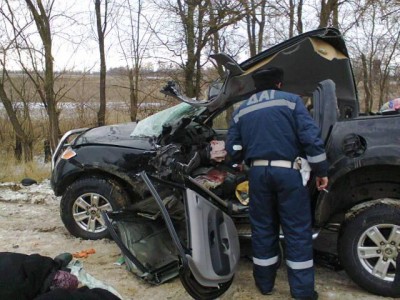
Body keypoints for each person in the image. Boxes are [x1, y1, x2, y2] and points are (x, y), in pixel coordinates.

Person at [226, 67, 328, 300]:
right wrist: (321, 170)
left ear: (257, 86)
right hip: (288, 174)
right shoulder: (292, 102)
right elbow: (310, 138)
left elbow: (233, 148)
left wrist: (239, 161)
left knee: (262, 229)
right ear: (279, 84)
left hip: (258, 174)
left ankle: (265, 285)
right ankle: (302, 292)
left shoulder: (242, 110)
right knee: (296, 231)